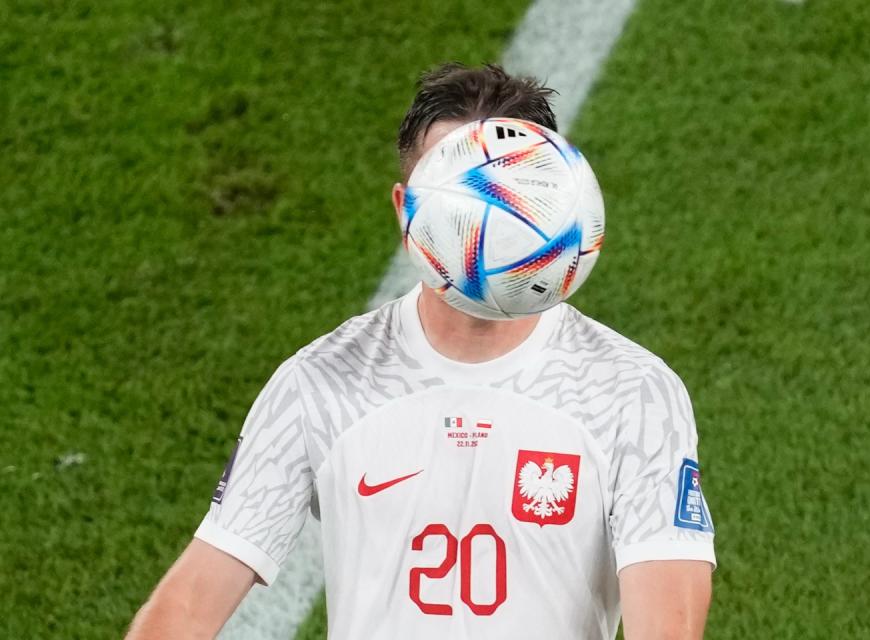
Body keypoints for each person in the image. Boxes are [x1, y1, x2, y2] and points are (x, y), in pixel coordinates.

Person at [126, 63, 715, 640]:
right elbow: (186, 608)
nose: (480, 223)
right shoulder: (320, 382)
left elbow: (667, 624)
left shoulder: (631, 392)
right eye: (456, 198)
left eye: (507, 197)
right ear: (405, 208)